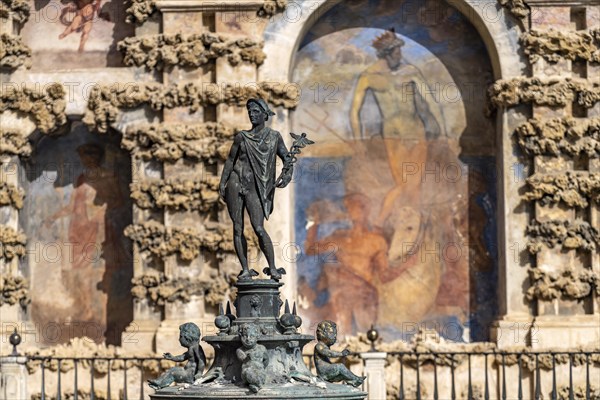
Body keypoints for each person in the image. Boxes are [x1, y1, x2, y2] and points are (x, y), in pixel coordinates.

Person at [349, 28, 448, 226]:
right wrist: (358, 140)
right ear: (386, 54)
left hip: (415, 132)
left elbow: (431, 103)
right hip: (392, 137)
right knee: (403, 184)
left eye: (400, 51)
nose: (400, 55)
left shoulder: (409, 72)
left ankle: (410, 225)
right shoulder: (369, 76)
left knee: (415, 184)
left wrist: (444, 133)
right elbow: (354, 111)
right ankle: (385, 220)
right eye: (396, 52)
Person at [219, 99, 293, 281]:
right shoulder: (241, 137)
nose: (252, 114)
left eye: (255, 111)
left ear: (265, 114)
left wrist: (287, 174)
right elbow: (230, 160)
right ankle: (245, 269)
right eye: (249, 111)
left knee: (259, 228)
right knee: (237, 228)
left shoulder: (274, 137)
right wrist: (222, 182)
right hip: (236, 182)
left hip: (255, 187)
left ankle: (273, 268)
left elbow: (287, 159)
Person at [148, 323, 206, 390]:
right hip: (186, 372)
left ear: (187, 337)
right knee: (172, 369)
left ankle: (160, 384)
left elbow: (202, 361)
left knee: (173, 373)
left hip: (190, 376)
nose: (179, 339)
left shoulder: (196, 347)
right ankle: (159, 382)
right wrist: (172, 357)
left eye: (181, 337)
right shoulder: (191, 348)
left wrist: (199, 373)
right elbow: (182, 357)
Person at [313, 320, 364, 387]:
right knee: (340, 367)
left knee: (342, 375)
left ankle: (353, 381)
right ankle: (356, 379)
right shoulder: (319, 346)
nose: (334, 336)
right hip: (324, 372)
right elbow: (329, 353)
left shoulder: (326, 346)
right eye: (331, 333)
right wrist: (341, 354)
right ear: (322, 334)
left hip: (327, 371)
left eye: (335, 334)